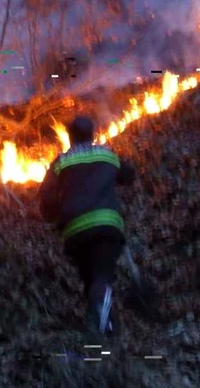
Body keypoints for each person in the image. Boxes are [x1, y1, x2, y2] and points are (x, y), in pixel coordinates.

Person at [38, 115, 136, 336]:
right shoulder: (107, 154)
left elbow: (47, 195)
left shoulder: (62, 161)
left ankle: (105, 328)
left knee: (90, 277)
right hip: (107, 227)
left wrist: (53, 217)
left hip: (76, 232)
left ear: (70, 137)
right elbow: (128, 175)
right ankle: (101, 326)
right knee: (102, 276)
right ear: (92, 134)